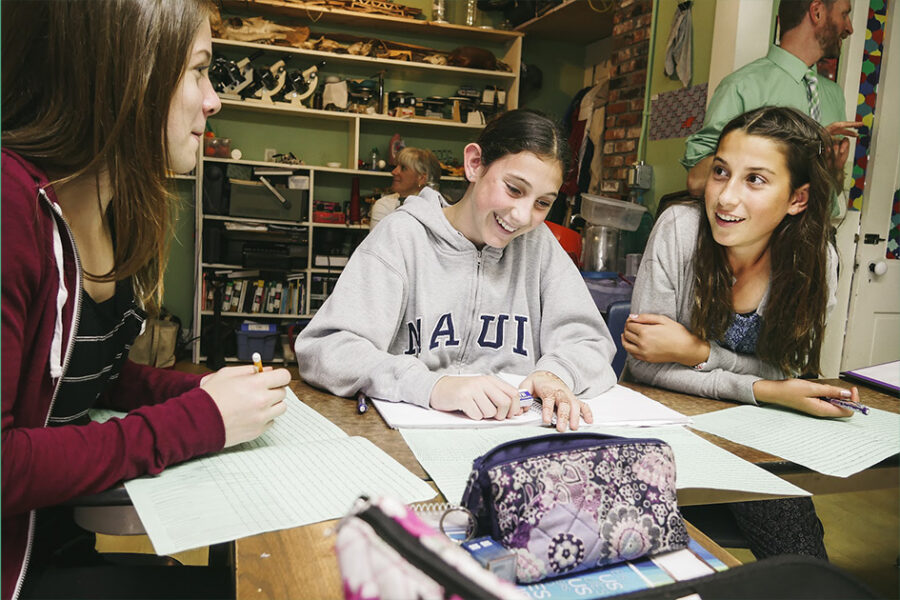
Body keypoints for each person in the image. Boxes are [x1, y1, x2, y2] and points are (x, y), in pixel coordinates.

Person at [1, 2, 291, 598]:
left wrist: (203, 390)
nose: (213, 101)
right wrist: (199, 421)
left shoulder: (121, 214)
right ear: (127, 73)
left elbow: (82, 380)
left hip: (55, 541)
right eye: (198, 71)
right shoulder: (10, 208)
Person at [623, 106, 859, 559]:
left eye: (755, 179)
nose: (725, 197)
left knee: (800, 562)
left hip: (754, 437)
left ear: (798, 199)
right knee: (647, 556)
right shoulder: (679, 228)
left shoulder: (814, 261)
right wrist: (764, 386)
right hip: (661, 432)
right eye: (721, 172)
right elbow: (644, 365)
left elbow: (790, 373)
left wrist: (695, 351)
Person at [296, 109, 618, 432]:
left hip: (511, 439)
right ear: (474, 164)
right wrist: (432, 386)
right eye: (514, 189)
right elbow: (326, 347)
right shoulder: (402, 237)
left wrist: (557, 374)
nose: (522, 216)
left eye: (542, 203)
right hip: (408, 441)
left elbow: (591, 342)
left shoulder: (540, 246)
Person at [682, 0, 862, 210]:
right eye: (844, 14)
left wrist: (832, 172)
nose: (849, 28)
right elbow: (697, 181)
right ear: (817, 12)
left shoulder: (834, 96)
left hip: (818, 236)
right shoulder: (742, 86)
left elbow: (828, 192)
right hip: (757, 240)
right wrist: (802, 149)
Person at [368, 147, 445, 228]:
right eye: (396, 166)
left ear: (422, 178)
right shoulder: (384, 205)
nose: (394, 172)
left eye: (403, 168)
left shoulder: (441, 207)